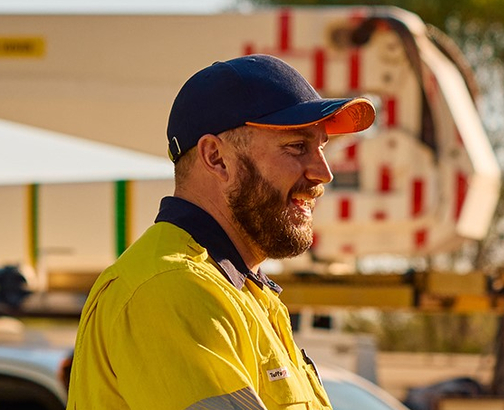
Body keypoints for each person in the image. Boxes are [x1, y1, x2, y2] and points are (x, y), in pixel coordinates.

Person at [67, 54, 374, 410]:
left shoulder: (244, 293)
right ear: (216, 158)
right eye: (297, 147)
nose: (323, 173)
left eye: (321, 148)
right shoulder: (172, 288)